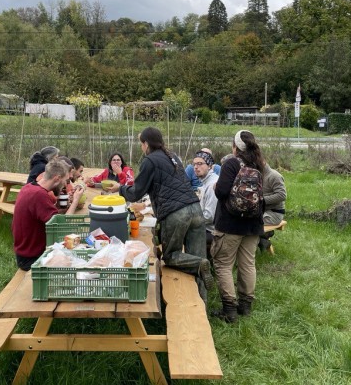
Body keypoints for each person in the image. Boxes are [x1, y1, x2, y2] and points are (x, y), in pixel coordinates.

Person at [111, 127, 214, 301]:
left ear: (146, 143)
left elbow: (136, 192)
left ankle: (199, 264)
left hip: (176, 213)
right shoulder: (172, 156)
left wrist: (120, 189)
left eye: (141, 143)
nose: (141, 147)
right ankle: (202, 301)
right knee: (197, 257)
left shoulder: (149, 160)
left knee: (171, 256)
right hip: (195, 209)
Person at [211, 130, 265, 322]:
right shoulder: (258, 164)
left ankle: (229, 310)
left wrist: (215, 187)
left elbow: (221, 192)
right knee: (248, 263)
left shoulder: (231, 163)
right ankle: (245, 305)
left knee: (223, 264)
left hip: (230, 224)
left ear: (235, 147)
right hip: (253, 223)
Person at [12, 159, 85, 271]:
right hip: (32, 258)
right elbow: (62, 227)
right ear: (57, 178)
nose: (65, 185)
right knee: (80, 265)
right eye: (65, 181)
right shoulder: (39, 195)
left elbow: (50, 217)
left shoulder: (30, 187)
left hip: (24, 253)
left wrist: (60, 207)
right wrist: (75, 201)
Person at [192, 150, 219, 260]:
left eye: (200, 164)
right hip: (208, 227)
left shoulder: (212, 185)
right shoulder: (205, 182)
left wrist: (190, 219)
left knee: (184, 231)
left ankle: (199, 264)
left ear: (210, 166)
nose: (196, 167)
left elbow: (209, 216)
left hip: (213, 230)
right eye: (194, 164)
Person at [259, 162, 286, 252]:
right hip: (261, 211)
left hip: (274, 213)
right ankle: (263, 238)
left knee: (250, 224)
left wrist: (261, 200)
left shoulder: (274, 176)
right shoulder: (256, 175)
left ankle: (262, 241)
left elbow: (282, 195)